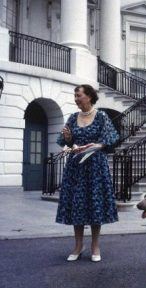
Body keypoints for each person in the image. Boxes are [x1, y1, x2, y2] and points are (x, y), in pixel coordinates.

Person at [56, 84, 119, 262]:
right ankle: (78, 246)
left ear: (89, 97)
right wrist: (69, 140)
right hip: (76, 167)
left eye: (79, 95)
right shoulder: (72, 117)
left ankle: (95, 246)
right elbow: (64, 141)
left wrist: (95, 146)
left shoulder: (101, 117)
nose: (76, 98)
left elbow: (111, 139)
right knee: (77, 204)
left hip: (95, 167)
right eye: (75, 95)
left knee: (95, 204)